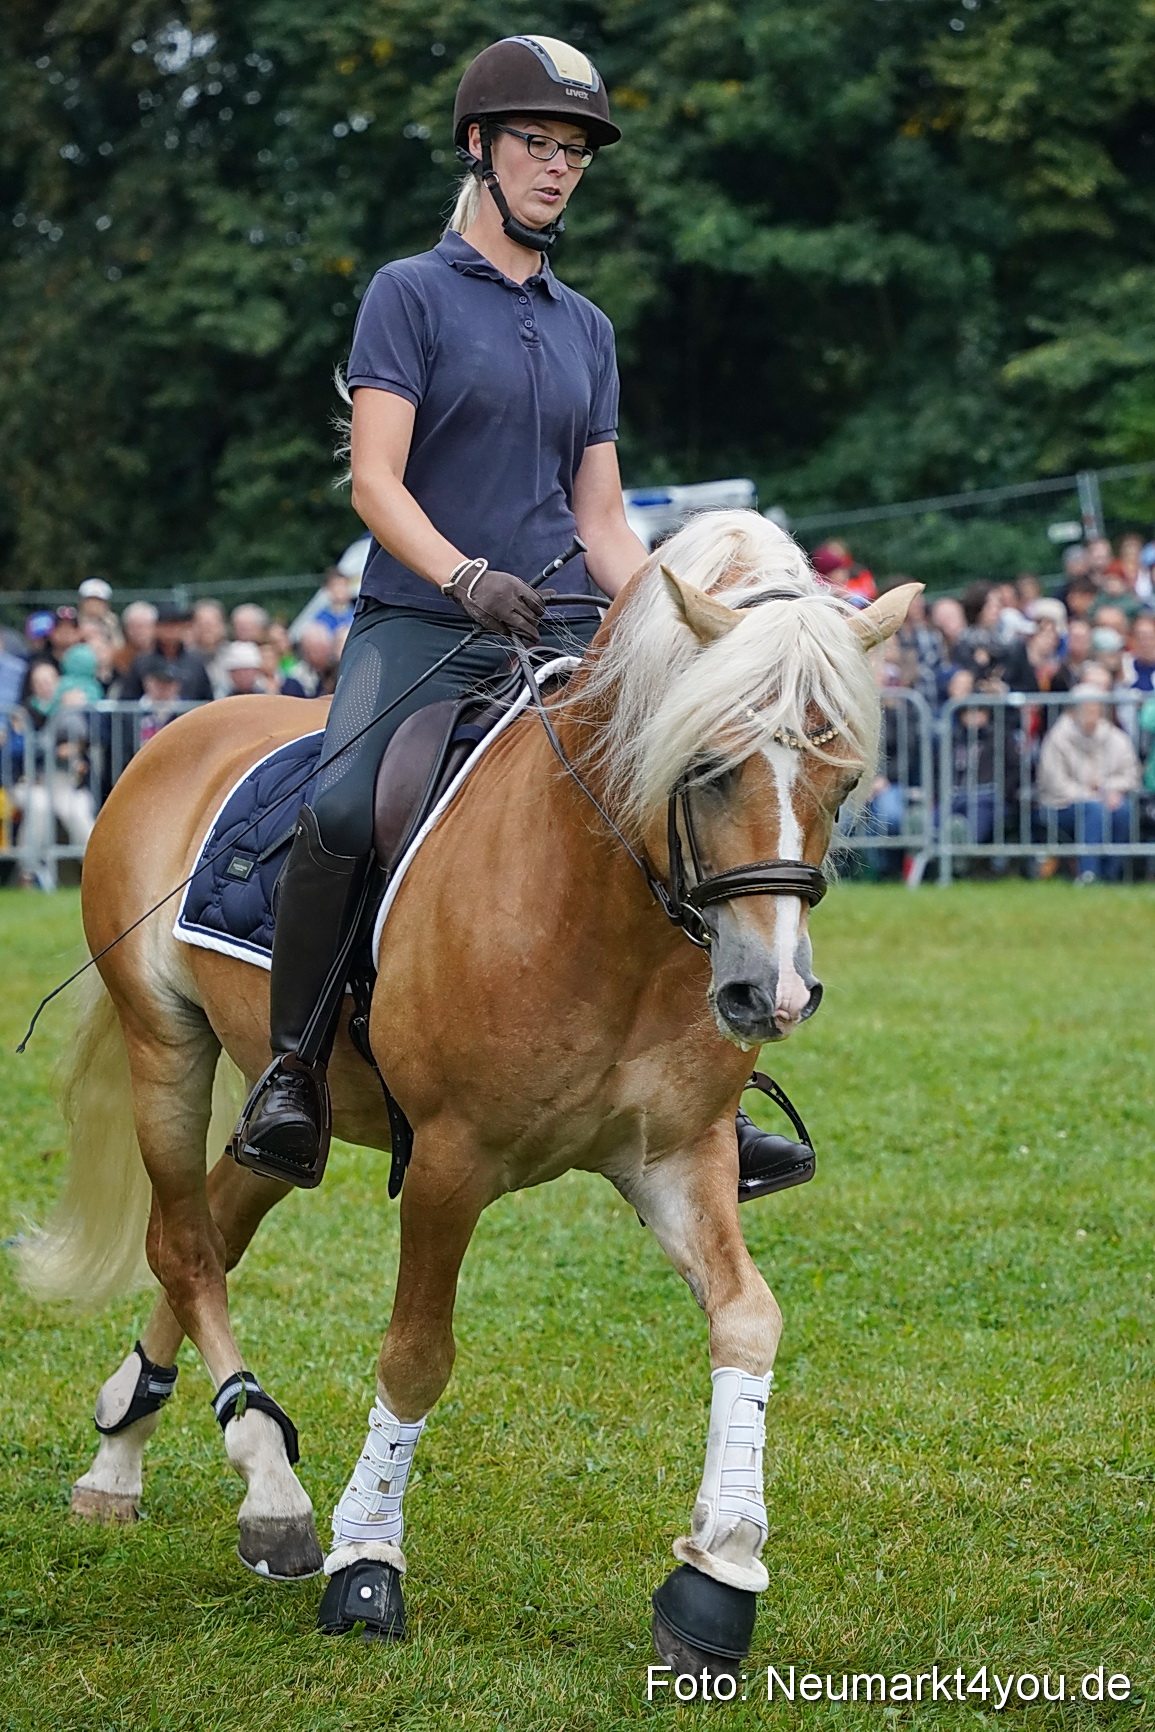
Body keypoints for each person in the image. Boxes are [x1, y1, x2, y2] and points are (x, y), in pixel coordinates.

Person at [236, 36, 798, 1196]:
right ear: (481, 149)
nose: (559, 167)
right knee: (343, 807)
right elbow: (375, 483)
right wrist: (460, 578)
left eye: (576, 150)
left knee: (685, 807)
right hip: (423, 620)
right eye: (537, 143)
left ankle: (716, 1098)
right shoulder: (409, 293)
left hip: (559, 626)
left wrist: (689, 632)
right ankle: (291, 1073)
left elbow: (602, 521)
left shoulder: (586, 328)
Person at [1036, 686, 1139, 881]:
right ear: (1073, 711)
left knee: (1124, 810)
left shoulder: (1116, 738)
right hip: (1061, 804)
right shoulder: (1057, 738)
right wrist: (1094, 796)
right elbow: (1055, 782)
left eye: (1096, 709)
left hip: (1106, 797)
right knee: (1093, 810)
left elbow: (1131, 776)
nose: (1091, 715)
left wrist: (1107, 786)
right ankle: (1088, 873)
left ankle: (1111, 875)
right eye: (1086, 709)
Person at [119, 602, 213, 702]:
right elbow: (127, 700)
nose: (171, 632)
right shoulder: (142, 662)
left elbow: (207, 698)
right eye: (166, 626)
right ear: (156, 628)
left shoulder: (195, 662)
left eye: (176, 625)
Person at [281, 622, 336, 698]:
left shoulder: (338, 671)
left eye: (321, 649)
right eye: (313, 650)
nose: (314, 655)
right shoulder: (296, 675)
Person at [313, 569, 356, 636]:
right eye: (336, 585)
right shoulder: (321, 618)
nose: (340, 589)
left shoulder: (356, 614)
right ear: (328, 589)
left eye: (343, 585)